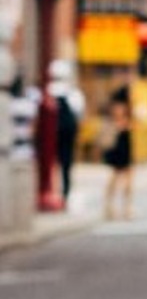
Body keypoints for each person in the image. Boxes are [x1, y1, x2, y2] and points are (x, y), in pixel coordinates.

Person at [47, 59, 85, 204]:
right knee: (66, 164)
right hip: (67, 136)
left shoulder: (48, 91)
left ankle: (53, 191)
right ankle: (64, 193)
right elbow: (79, 114)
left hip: (51, 136)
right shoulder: (72, 94)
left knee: (51, 164)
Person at [103, 91, 133, 220]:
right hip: (117, 150)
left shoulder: (128, 119)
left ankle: (126, 207)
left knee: (128, 180)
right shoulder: (113, 120)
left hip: (126, 150)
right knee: (115, 178)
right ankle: (110, 207)